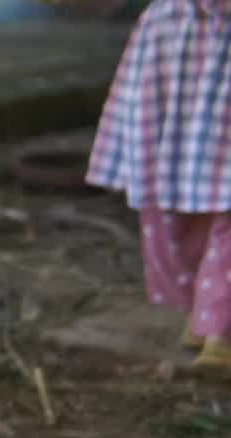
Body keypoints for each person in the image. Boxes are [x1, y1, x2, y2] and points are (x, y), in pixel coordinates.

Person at [85, 0, 231, 372]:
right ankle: (219, 330)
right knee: (217, 202)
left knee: (177, 188)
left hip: (172, 34)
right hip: (204, 40)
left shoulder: (163, 17)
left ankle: (199, 315)